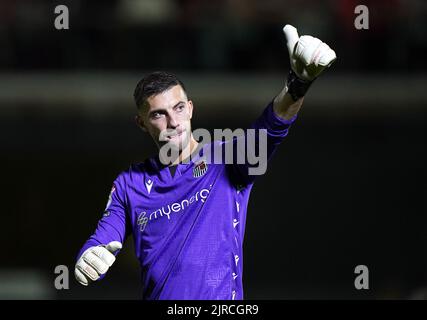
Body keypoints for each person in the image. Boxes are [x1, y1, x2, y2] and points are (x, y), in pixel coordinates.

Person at [74, 24, 336, 300]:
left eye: (178, 108)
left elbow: (272, 126)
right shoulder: (130, 184)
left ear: (190, 108)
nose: (173, 122)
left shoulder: (226, 159)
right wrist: (89, 257)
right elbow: (103, 239)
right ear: (141, 123)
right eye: (158, 115)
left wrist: (298, 84)